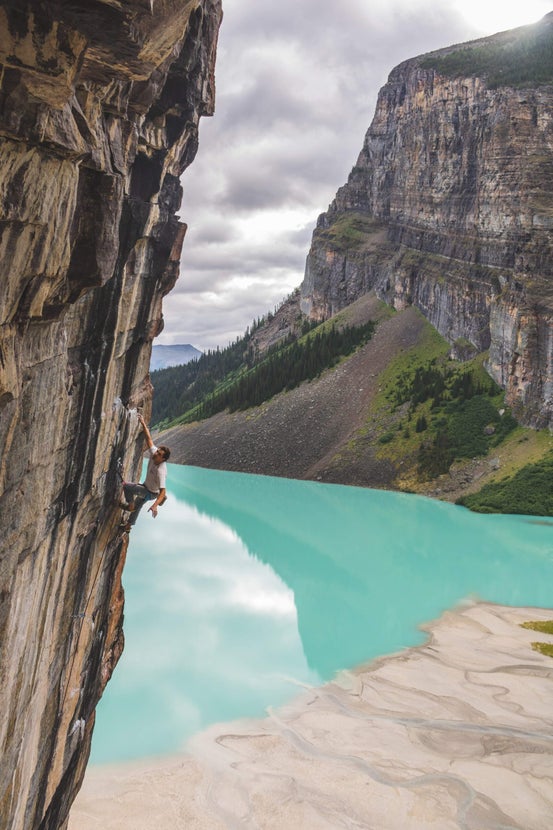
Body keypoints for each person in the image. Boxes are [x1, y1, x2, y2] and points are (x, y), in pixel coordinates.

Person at [120, 413, 171, 532]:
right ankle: (127, 527)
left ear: (163, 459)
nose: (156, 453)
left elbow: (163, 492)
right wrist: (143, 423)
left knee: (127, 487)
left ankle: (130, 505)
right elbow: (149, 439)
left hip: (151, 492)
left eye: (159, 454)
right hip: (146, 487)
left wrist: (155, 506)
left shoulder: (161, 471)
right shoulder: (155, 455)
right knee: (137, 507)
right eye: (157, 451)